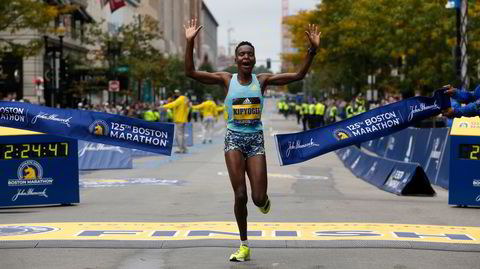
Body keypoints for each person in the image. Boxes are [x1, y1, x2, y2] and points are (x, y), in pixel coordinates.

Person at [184, 18, 321, 262]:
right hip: (234, 140)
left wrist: (312, 50)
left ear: (254, 59)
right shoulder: (227, 80)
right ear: (236, 60)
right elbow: (191, 72)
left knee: (257, 198)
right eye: (242, 54)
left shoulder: (263, 80)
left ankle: (264, 200)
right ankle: (244, 245)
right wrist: (190, 43)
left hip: (255, 141)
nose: (246, 58)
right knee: (239, 195)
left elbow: (299, 75)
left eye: (250, 54)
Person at [163, 89, 189, 153]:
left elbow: (173, 104)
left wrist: (163, 107)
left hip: (179, 119)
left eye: (176, 93)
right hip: (183, 119)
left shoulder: (180, 99)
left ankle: (181, 149)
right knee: (181, 135)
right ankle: (184, 148)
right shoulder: (185, 99)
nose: (175, 95)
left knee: (178, 135)